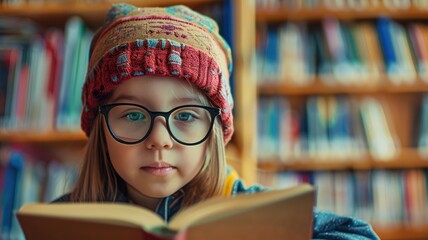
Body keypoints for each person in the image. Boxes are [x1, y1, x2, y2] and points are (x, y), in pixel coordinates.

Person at [54, 3, 379, 239]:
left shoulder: (250, 211)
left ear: (215, 130)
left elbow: (359, 235)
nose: (160, 139)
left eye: (185, 116)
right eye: (134, 114)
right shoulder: (62, 222)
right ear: (100, 126)